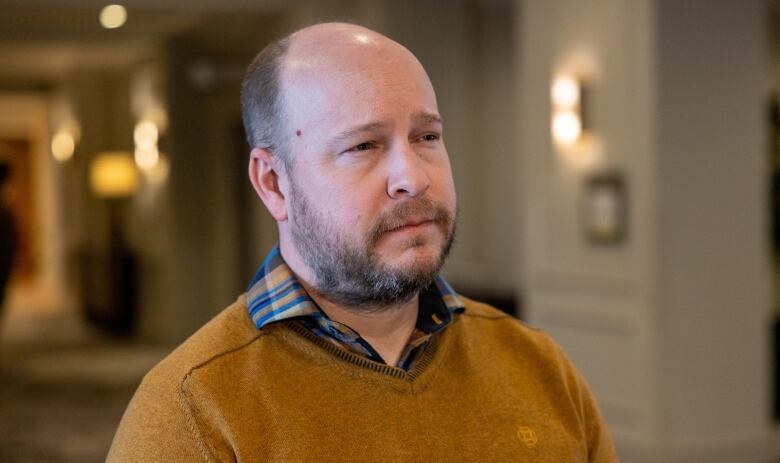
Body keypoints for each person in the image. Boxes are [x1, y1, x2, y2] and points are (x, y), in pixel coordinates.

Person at [108, 22, 617, 462]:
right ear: (273, 184)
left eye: (427, 137)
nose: (412, 178)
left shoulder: (539, 366)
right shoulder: (192, 409)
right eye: (363, 146)